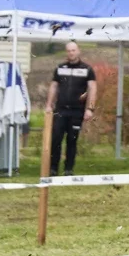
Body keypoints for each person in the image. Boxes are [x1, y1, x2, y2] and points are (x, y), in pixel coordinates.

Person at [45, 41, 97, 175]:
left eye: (73, 50)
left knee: (72, 140)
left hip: (76, 111)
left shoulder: (87, 69)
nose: (71, 53)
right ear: (66, 52)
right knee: (56, 138)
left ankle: (68, 169)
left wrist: (90, 109)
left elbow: (92, 88)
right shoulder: (60, 68)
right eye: (68, 50)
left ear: (78, 51)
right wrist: (49, 105)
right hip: (61, 109)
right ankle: (53, 168)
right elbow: (54, 86)